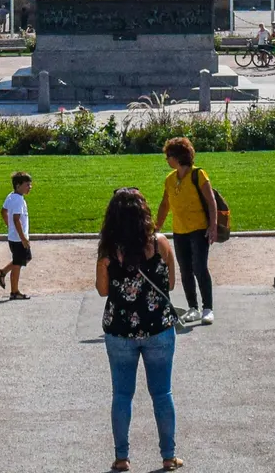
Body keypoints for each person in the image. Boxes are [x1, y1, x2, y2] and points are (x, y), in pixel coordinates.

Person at [96, 185, 182, 473]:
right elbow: (170, 284)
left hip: (120, 330)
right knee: (162, 393)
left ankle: (122, 457)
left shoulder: (109, 251)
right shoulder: (160, 244)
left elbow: (102, 290)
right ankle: (168, 456)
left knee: (122, 395)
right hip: (158, 327)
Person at [152, 136, 217, 326]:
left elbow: (211, 202)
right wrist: (156, 227)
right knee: (185, 269)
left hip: (199, 229)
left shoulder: (199, 175)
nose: (167, 160)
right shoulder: (170, 179)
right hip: (179, 231)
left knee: (199, 267)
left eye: (168, 156)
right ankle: (193, 308)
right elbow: (165, 205)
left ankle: (208, 308)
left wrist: (213, 226)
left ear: (178, 157)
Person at [0, 170, 34, 301]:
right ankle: (14, 292)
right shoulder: (18, 200)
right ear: (18, 185)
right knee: (18, 264)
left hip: (14, 236)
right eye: (27, 185)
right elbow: (16, 219)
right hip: (18, 239)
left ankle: (2, 272)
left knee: (26, 258)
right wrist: (23, 238)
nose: (30, 187)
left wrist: (9, 225)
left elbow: (3, 212)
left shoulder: (11, 196)